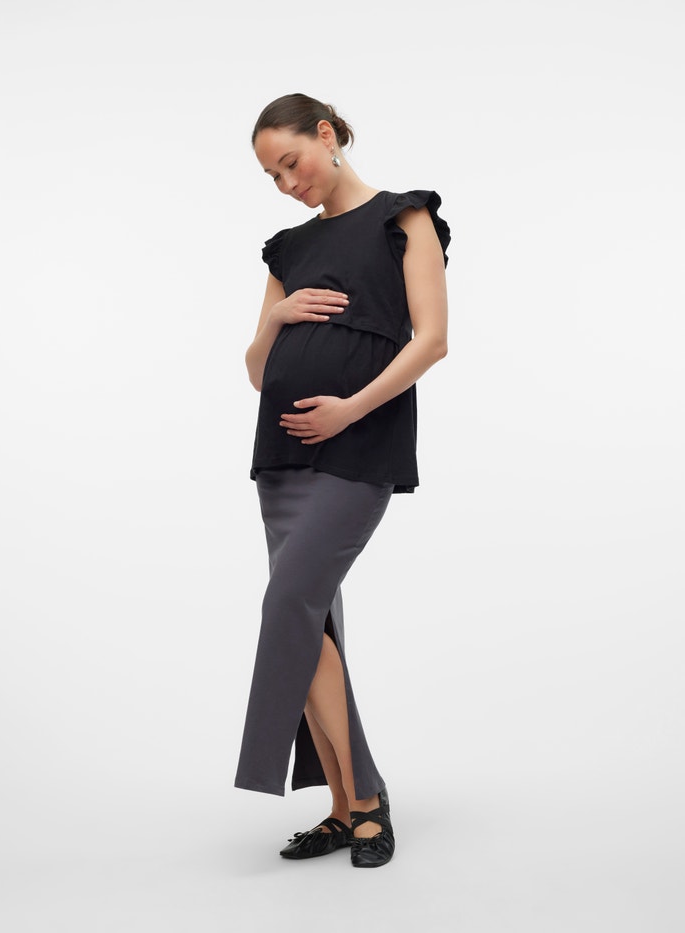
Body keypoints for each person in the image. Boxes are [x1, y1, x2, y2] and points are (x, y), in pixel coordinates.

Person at [234, 93, 450, 869]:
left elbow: (432, 340)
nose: (286, 183)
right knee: (308, 620)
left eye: (290, 162)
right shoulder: (287, 248)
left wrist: (350, 408)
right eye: (272, 176)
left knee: (288, 605)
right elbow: (257, 372)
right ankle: (343, 807)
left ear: (325, 135)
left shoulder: (404, 218)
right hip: (282, 458)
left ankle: (365, 796)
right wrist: (276, 318)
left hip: (359, 447)